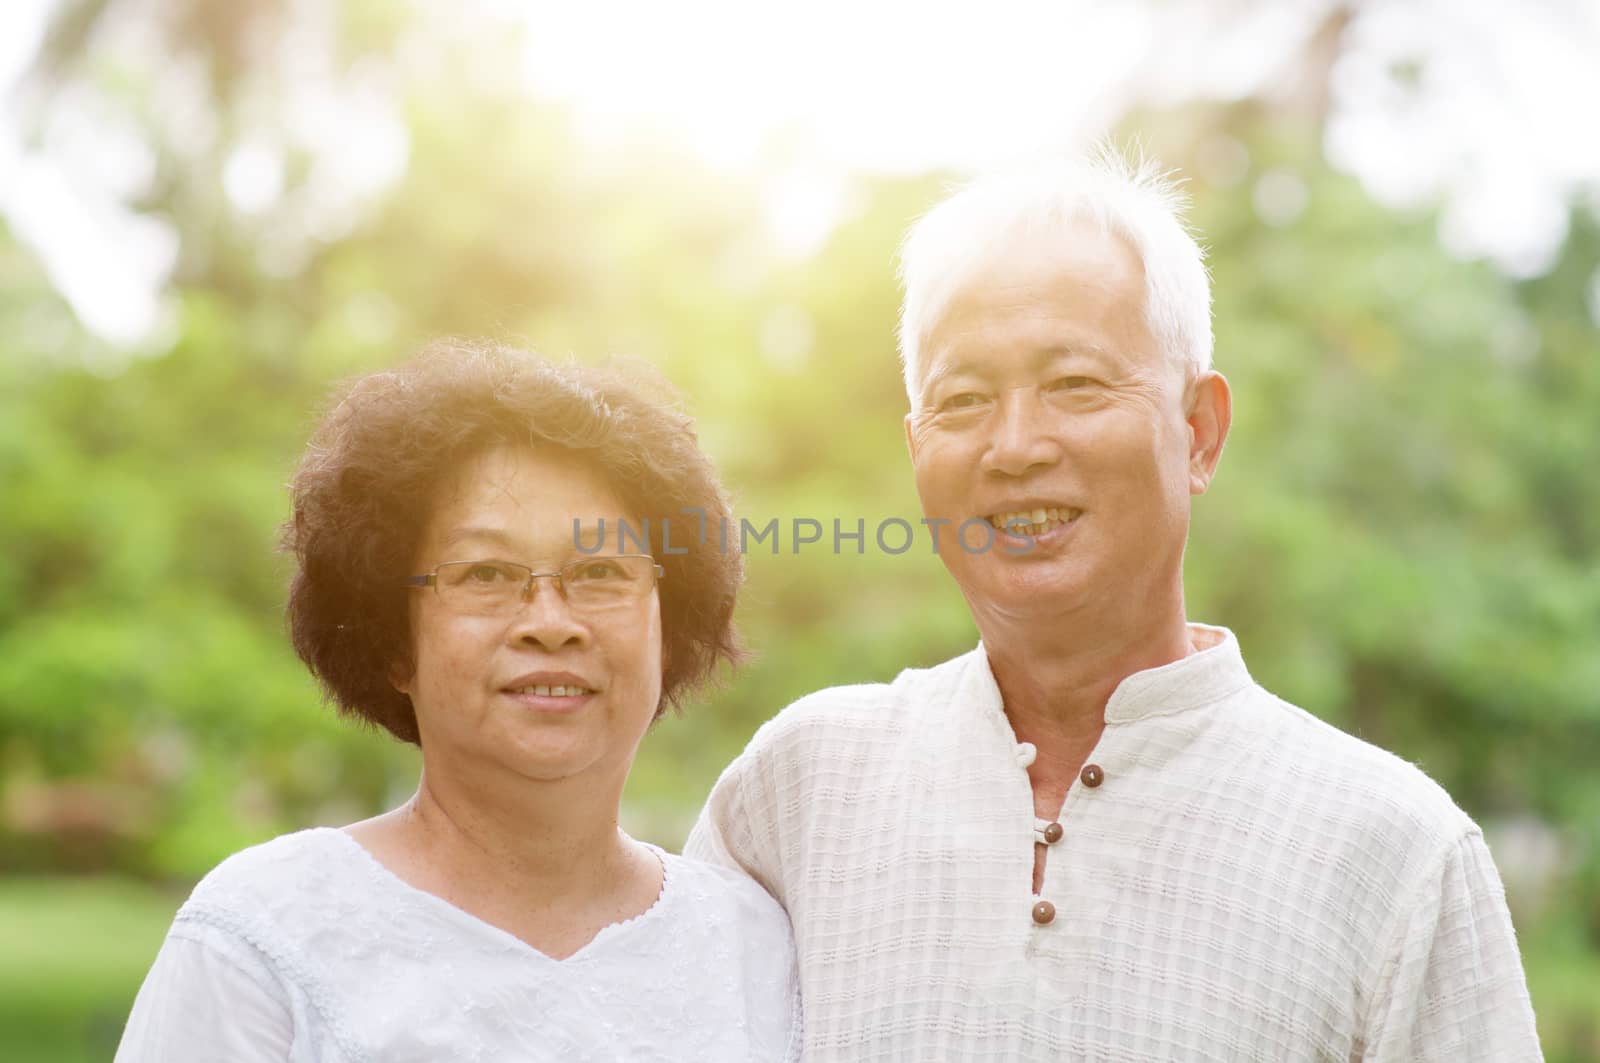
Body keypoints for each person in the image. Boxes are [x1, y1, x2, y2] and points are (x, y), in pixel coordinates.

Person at [686, 153, 1542, 1060]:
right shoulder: (799, 790)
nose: (1015, 445)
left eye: (1077, 385)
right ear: (915, 447)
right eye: (964, 399)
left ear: (1199, 432)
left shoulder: (1392, 851)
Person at [117, 342, 800, 1062]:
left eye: (599, 570)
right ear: (392, 641)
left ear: (670, 622)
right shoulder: (264, 935)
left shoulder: (755, 948)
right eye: (487, 573)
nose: (550, 621)